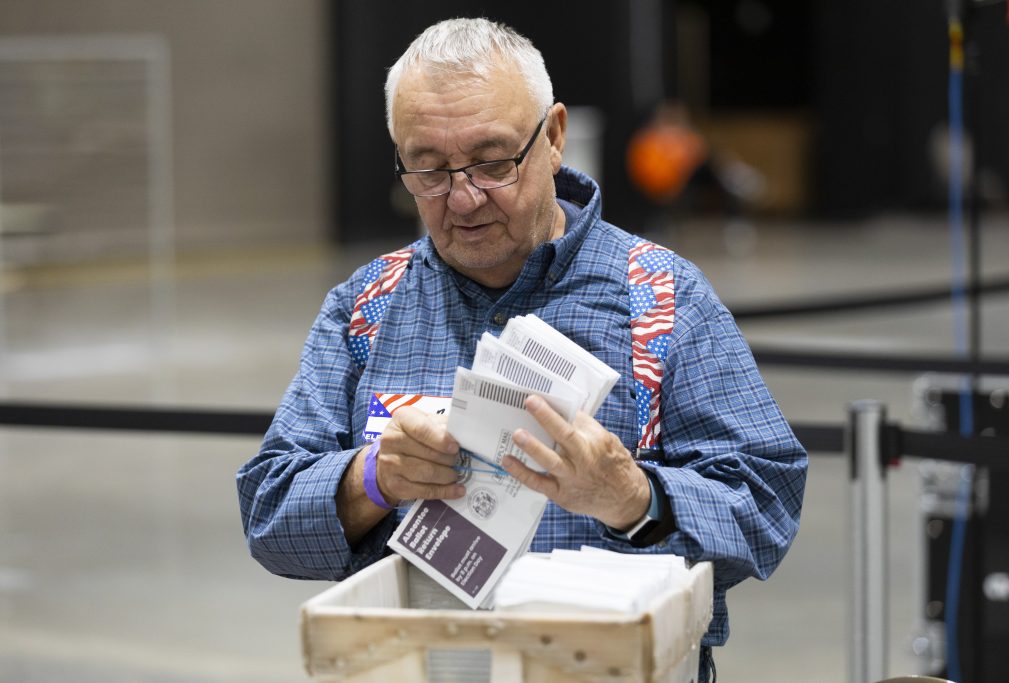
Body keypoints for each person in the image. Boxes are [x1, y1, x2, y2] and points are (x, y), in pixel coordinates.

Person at [236, 18, 806, 682]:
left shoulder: (661, 298)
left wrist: (634, 498)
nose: (465, 197)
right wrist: (372, 478)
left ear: (555, 136)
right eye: (428, 169)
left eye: (492, 161)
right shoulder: (367, 308)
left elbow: (764, 504)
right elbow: (270, 512)